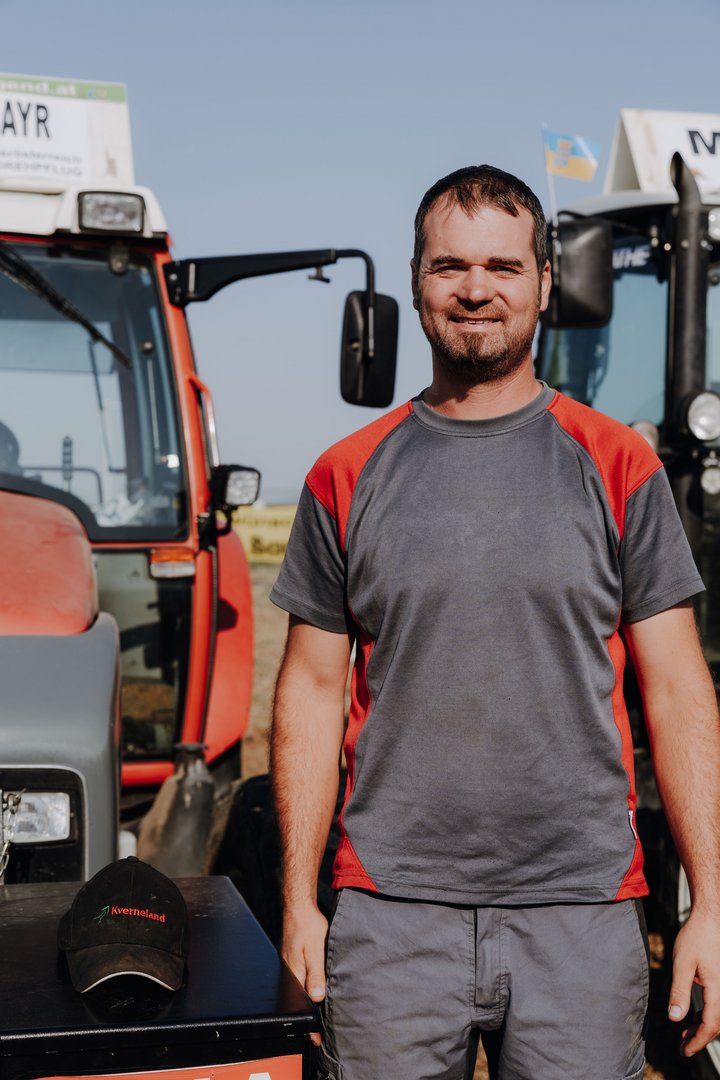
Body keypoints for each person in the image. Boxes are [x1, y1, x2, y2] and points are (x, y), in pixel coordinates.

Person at [269, 164, 720, 1079]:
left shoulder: (619, 464)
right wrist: (297, 899)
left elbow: (678, 689)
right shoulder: (345, 474)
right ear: (416, 280)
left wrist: (711, 902)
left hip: (580, 916)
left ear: (545, 283)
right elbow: (310, 692)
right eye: (451, 266)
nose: (476, 289)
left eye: (504, 267)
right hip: (390, 917)